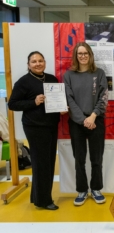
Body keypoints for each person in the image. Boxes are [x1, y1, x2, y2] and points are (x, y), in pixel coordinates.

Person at [8, 51, 60, 210]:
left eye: (40, 61)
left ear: (44, 62)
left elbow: (57, 100)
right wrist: (34, 102)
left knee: (49, 162)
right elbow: (13, 104)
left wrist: (62, 108)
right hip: (34, 127)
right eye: (34, 61)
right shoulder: (23, 82)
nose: (38, 64)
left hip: (51, 125)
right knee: (40, 163)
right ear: (28, 65)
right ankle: (44, 201)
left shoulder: (52, 79)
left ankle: (39, 197)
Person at [64, 42, 108, 206]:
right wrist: (83, 119)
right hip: (76, 123)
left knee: (97, 158)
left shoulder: (99, 73)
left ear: (90, 55)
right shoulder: (68, 75)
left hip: (96, 120)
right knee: (79, 158)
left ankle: (96, 188)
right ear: (76, 56)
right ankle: (82, 189)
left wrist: (93, 116)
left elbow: (103, 97)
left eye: (85, 53)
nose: (82, 56)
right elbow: (69, 99)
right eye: (79, 53)